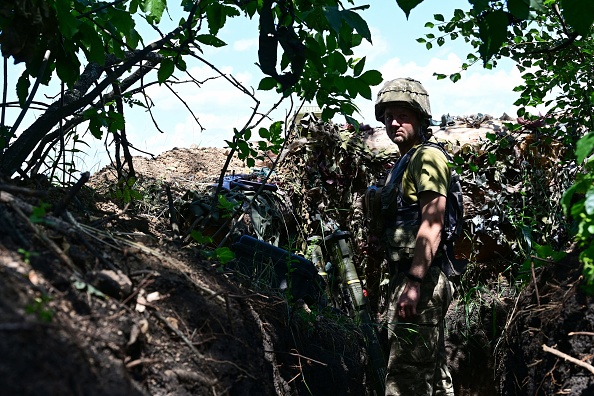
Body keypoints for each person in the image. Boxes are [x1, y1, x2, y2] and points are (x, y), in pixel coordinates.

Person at [373, 77, 455, 395]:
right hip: (411, 278)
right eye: (388, 115)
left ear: (421, 118)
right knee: (431, 376)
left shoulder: (427, 157)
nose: (394, 122)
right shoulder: (404, 163)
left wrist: (414, 283)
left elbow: (432, 221)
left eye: (403, 115)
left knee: (406, 380)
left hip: (422, 279)